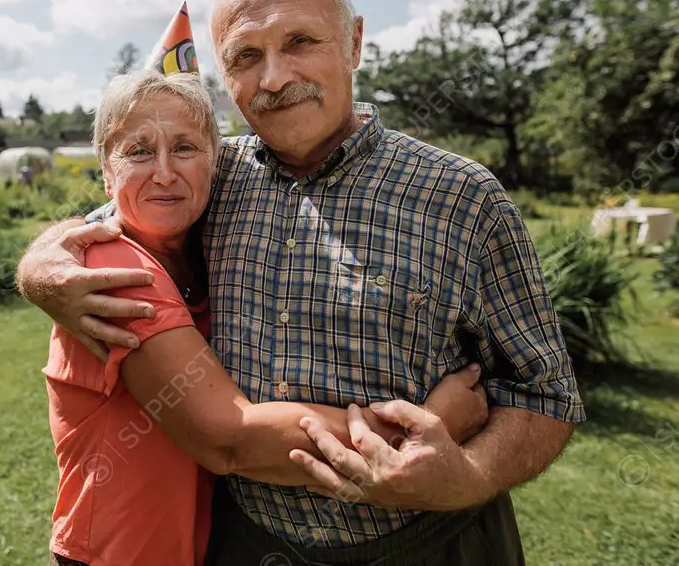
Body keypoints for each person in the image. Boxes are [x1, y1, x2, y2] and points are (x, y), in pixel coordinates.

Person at [20, 0, 585, 565]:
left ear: (355, 43)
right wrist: (39, 268)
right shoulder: (211, 172)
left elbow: (545, 394)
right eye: (244, 57)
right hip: (246, 542)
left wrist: (469, 473)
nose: (274, 77)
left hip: (429, 544)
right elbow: (109, 218)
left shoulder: (463, 197)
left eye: (300, 42)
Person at [43, 67, 487, 566]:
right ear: (107, 169)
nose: (164, 172)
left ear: (217, 164)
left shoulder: (197, 251)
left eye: (186, 148)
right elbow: (229, 437)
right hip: (116, 553)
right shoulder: (115, 268)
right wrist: (424, 428)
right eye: (139, 151)